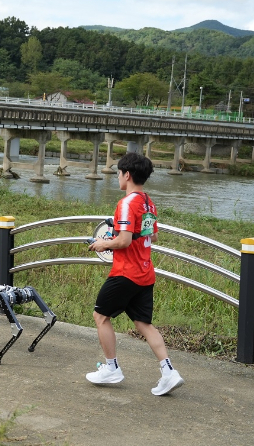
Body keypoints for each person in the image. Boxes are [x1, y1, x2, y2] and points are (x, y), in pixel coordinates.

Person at [86, 152, 184, 396]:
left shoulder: (127, 203)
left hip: (125, 273)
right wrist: (119, 233)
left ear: (127, 175)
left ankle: (111, 369)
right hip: (145, 273)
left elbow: (124, 241)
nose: (118, 177)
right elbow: (153, 236)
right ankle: (169, 372)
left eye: (119, 173)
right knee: (144, 323)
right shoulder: (148, 202)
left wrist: (102, 244)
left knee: (100, 316)